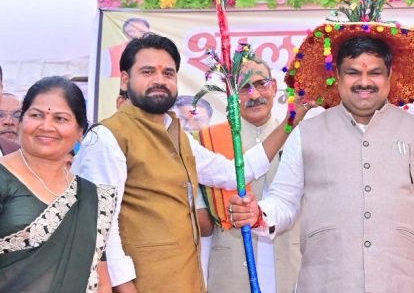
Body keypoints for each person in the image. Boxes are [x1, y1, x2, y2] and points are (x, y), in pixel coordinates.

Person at [230, 32, 414, 291]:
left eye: (375, 73)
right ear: (337, 77)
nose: (364, 82)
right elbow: (283, 201)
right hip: (327, 282)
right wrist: (258, 215)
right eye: (353, 72)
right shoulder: (305, 134)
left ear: (389, 76)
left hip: (401, 283)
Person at [73, 33, 306, 293]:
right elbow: (100, 228)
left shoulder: (177, 136)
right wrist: (124, 287)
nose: (159, 80)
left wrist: (291, 119)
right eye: (148, 71)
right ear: (126, 80)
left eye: (168, 73)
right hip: (141, 284)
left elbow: (232, 173)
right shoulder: (108, 137)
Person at [0, 76, 117, 292]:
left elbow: (100, 279)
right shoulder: (3, 178)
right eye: (36, 115)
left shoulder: (92, 196)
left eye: (60, 118)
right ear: (21, 121)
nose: (46, 126)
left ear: (80, 132)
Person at [202, 56, 302, 292]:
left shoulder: (300, 137)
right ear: (231, 94)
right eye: (244, 87)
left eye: (260, 84)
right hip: (231, 274)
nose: (254, 95)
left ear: (274, 86)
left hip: (291, 269)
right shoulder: (208, 142)